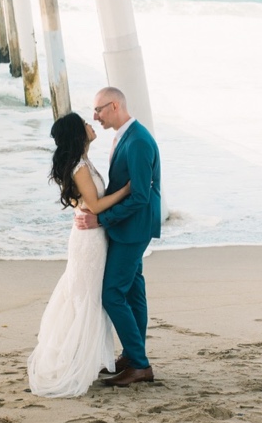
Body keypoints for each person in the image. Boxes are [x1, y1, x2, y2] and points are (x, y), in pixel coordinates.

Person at [27, 112, 131, 397]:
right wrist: (126, 190)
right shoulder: (79, 166)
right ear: (78, 132)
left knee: (86, 296)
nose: (91, 125)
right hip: (89, 241)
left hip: (93, 237)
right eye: (85, 123)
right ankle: (73, 362)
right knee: (84, 298)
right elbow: (95, 206)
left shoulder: (83, 161)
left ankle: (80, 358)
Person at [75, 87, 162, 387]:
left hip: (133, 229)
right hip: (130, 227)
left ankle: (139, 364)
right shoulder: (125, 135)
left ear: (114, 105)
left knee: (112, 293)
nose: (95, 116)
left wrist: (101, 219)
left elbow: (139, 195)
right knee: (134, 291)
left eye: (98, 110)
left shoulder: (137, 141)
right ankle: (133, 356)